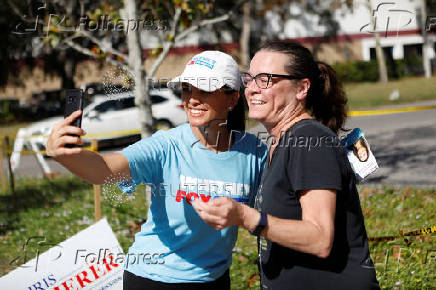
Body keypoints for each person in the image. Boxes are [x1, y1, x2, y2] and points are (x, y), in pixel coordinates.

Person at [46, 50, 267, 289]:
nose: (192, 99)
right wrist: (67, 155)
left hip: (214, 279)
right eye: (187, 89)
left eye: (204, 90)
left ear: (232, 99)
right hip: (153, 279)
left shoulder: (254, 151)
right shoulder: (165, 145)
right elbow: (105, 170)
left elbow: (273, 213)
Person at [193, 41, 380, 289]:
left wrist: (246, 217)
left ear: (302, 88)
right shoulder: (281, 143)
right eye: (249, 78)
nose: (251, 89)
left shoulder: (311, 141)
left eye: (266, 79)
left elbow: (320, 238)